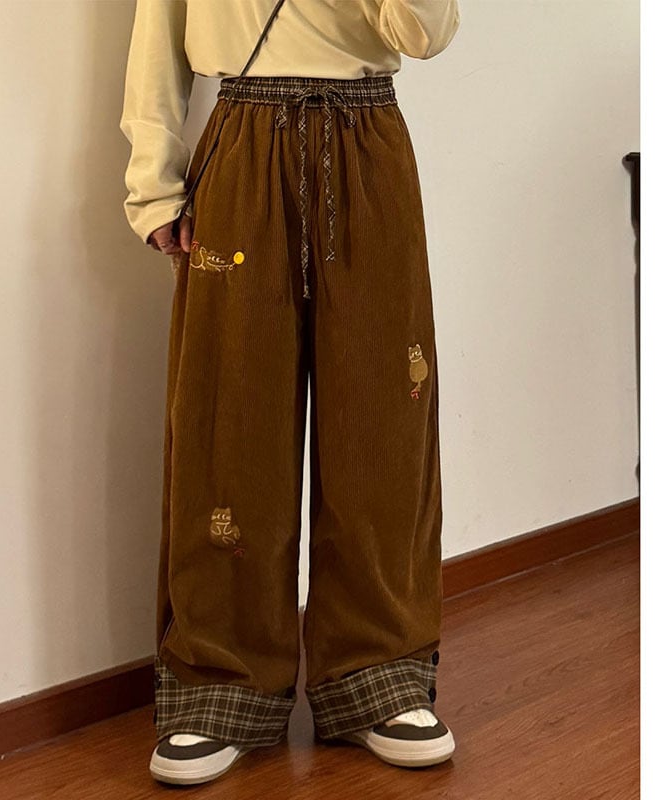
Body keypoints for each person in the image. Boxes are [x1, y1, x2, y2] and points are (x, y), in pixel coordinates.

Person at [120, 0, 462, 786]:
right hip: (242, 139)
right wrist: (154, 184)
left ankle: (379, 674)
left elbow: (427, 34)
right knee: (228, 419)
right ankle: (220, 684)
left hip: (369, 141)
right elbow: (156, 37)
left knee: (383, 421)